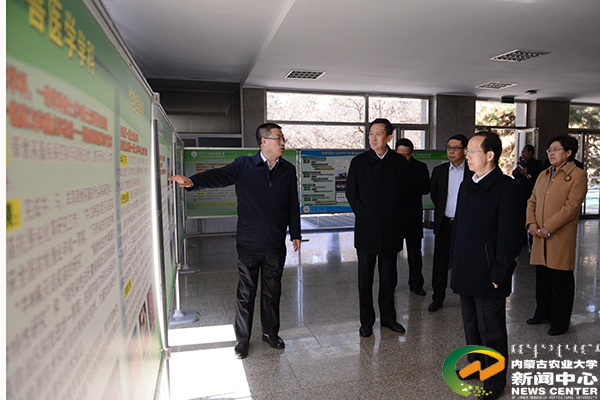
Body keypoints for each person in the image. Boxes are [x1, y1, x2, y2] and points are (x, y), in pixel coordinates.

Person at [168, 123, 301, 359]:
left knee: (273, 290)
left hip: (275, 242)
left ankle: (270, 333)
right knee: (246, 293)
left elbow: (292, 203)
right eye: (278, 138)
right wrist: (192, 182)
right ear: (263, 141)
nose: (283, 143)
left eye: (283, 139)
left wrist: (296, 233)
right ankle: (242, 339)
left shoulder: (288, 170)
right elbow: (218, 176)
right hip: (249, 242)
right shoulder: (244, 165)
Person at [450, 131, 522, 400]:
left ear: (490, 155)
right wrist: (454, 259)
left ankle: (494, 380)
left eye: (472, 151)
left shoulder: (507, 188)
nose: (466, 156)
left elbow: (510, 237)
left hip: (490, 270)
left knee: (491, 330)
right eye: (466, 151)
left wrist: (501, 271)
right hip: (465, 267)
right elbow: (459, 226)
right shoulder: (467, 184)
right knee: (471, 324)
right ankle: (477, 365)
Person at [346, 118, 409, 337]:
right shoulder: (359, 162)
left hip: (391, 230)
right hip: (366, 230)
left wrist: (395, 218)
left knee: (389, 277)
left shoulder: (399, 163)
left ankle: (389, 318)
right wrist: (365, 215)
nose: (373, 138)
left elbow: (405, 195)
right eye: (371, 133)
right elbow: (351, 193)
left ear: (389, 137)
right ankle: (366, 321)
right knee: (365, 278)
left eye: (378, 134)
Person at [525, 136, 587, 336]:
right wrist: (532, 223)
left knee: (561, 280)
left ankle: (560, 322)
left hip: (560, 236)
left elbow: (571, 206)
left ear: (568, 153)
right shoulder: (544, 174)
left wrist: (548, 227)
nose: (551, 153)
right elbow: (532, 201)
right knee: (542, 278)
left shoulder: (578, 175)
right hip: (539, 234)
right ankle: (542, 313)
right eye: (549, 150)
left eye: (555, 149)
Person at [428, 134, 473, 312]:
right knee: (440, 263)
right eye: (449, 148)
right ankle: (437, 298)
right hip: (444, 224)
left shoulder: (472, 171)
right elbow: (435, 195)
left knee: (465, 262)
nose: (451, 151)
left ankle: (467, 297)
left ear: (465, 150)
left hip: (465, 226)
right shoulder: (439, 171)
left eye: (455, 148)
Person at [395, 138, 430, 296]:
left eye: (407, 155)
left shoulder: (420, 167)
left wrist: (408, 183)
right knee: (390, 254)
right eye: (400, 155)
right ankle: (390, 284)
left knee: (415, 253)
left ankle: (416, 284)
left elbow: (425, 188)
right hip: (393, 217)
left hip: (413, 216)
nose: (404, 158)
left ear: (412, 153)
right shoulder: (389, 166)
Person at [512, 145, 543, 245]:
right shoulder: (522, 163)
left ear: (530, 152)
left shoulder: (536, 164)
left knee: (531, 216)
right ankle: (522, 239)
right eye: (522, 152)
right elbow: (515, 173)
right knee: (520, 216)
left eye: (524, 152)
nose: (523, 154)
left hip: (531, 193)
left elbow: (539, 173)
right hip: (520, 193)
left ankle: (531, 238)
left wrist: (527, 171)